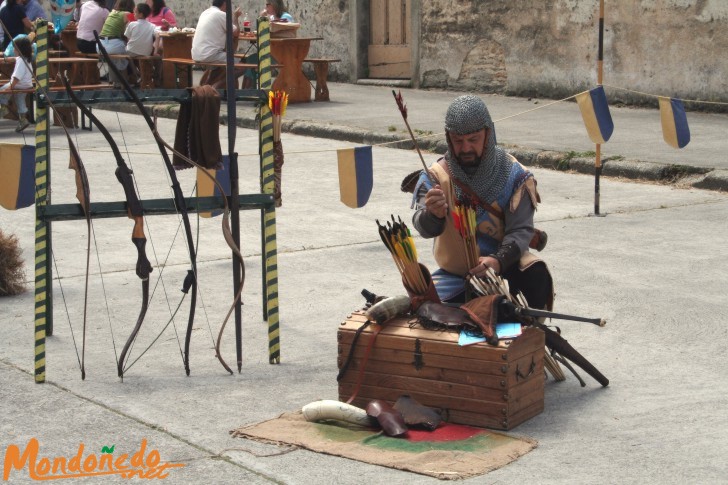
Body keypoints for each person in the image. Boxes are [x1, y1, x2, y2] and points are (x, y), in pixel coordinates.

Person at [411, 94, 553, 310]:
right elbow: (422, 226)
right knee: (425, 313)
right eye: (458, 141)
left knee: (536, 276)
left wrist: (497, 261)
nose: (465, 148)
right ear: (449, 138)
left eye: (473, 139)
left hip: (505, 269)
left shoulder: (516, 176)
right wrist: (432, 214)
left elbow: (520, 231)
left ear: (488, 134)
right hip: (455, 277)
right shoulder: (434, 177)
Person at [191, 0, 243, 89]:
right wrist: (235, 17)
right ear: (224, 3)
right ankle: (216, 86)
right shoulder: (220, 14)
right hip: (210, 55)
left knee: (218, 66)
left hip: (196, 54)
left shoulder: (205, 13)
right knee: (242, 67)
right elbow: (236, 33)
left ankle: (204, 89)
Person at [0, 36, 33, 132]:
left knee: (2, 91)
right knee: (20, 100)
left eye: (14, 48)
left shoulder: (21, 61)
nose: (13, 50)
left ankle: (3, 107)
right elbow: (14, 59)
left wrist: (10, 87)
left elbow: (16, 77)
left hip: (18, 84)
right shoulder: (26, 58)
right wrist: (4, 60)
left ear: (20, 49)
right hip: (27, 84)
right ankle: (23, 119)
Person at [97, 0, 134, 86]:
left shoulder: (112, 12)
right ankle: (124, 83)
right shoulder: (128, 14)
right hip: (113, 44)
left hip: (100, 45)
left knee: (117, 57)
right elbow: (135, 27)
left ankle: (115, 81)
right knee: (125, 58)